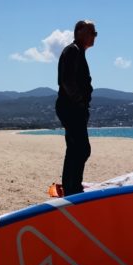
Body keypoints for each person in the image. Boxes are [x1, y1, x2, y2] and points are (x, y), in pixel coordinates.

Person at [54, 20, 96, 196]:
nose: (94, 36)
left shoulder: (79, 52)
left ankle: (71, 187)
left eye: (95, 33)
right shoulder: (72, 50)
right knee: (82, 148)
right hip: (71, 107)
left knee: (75, 148)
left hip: (73, 107)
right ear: (79, 32)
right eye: (91, 32)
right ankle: (72, 188)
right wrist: (79, 101)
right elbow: (67, 81)